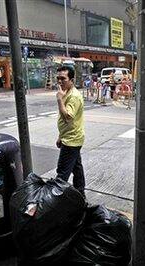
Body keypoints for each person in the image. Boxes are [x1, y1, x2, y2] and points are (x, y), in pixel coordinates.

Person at [55, 66, 86, 198]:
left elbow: (68, 117)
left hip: (71, 140)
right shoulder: (67, 92)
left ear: (71, 80)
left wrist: (59, 99)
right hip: (70, 137)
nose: (60, 82)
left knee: (62, 172)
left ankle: (54, 198)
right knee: (77, 168)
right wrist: (60, 136)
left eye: (63, 79)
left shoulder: (73, 96)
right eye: (58, 78)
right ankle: (80, 193)